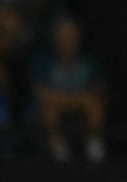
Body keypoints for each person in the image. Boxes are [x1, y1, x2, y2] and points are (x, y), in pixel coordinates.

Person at [30, 16, 106, 162]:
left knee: (94, 105)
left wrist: (73, 100)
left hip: (81, 105)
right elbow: (44, 95)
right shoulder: (44, 62)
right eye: (64, 36)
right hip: (56, 105)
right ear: (56, 38)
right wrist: (78, 99)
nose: (68, 40)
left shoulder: (89, 63)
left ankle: (95, 150)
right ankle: (59, 151)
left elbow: (98, 93)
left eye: (72, 35)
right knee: (50, 109)